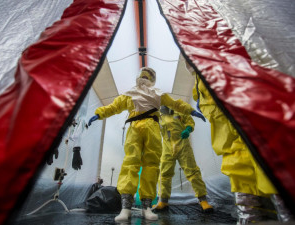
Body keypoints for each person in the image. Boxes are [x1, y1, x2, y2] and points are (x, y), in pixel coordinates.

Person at [88, 67, 204, 222]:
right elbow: (114, 107)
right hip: (135, 128)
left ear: (152, 79)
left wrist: (191, 111)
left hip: (152, 128)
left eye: (148, 75)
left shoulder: (158, 94)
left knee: (151, 166)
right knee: (130, 164)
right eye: (143, 74)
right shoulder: (129, 94)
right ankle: (126, 208)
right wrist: (99, 113)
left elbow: (176, 104)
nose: (145, 77)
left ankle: (146, 207)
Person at [185, 62, 293, 224]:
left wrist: (190, 119)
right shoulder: (198, 78)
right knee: (236, 164)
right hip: (224, 127)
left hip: (244, 115)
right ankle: (249, 214)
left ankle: (285, 211)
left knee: (263, 158)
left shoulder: (222, 60)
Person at [153, 106, 213, 212]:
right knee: (164, 174)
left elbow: (189, 122)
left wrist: (188, 129)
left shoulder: (180, 111)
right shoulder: (158, 116)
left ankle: (203, 200)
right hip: (167, 147)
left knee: (193, 172)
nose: (163, 106)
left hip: (183, 145)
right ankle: (163, 201)